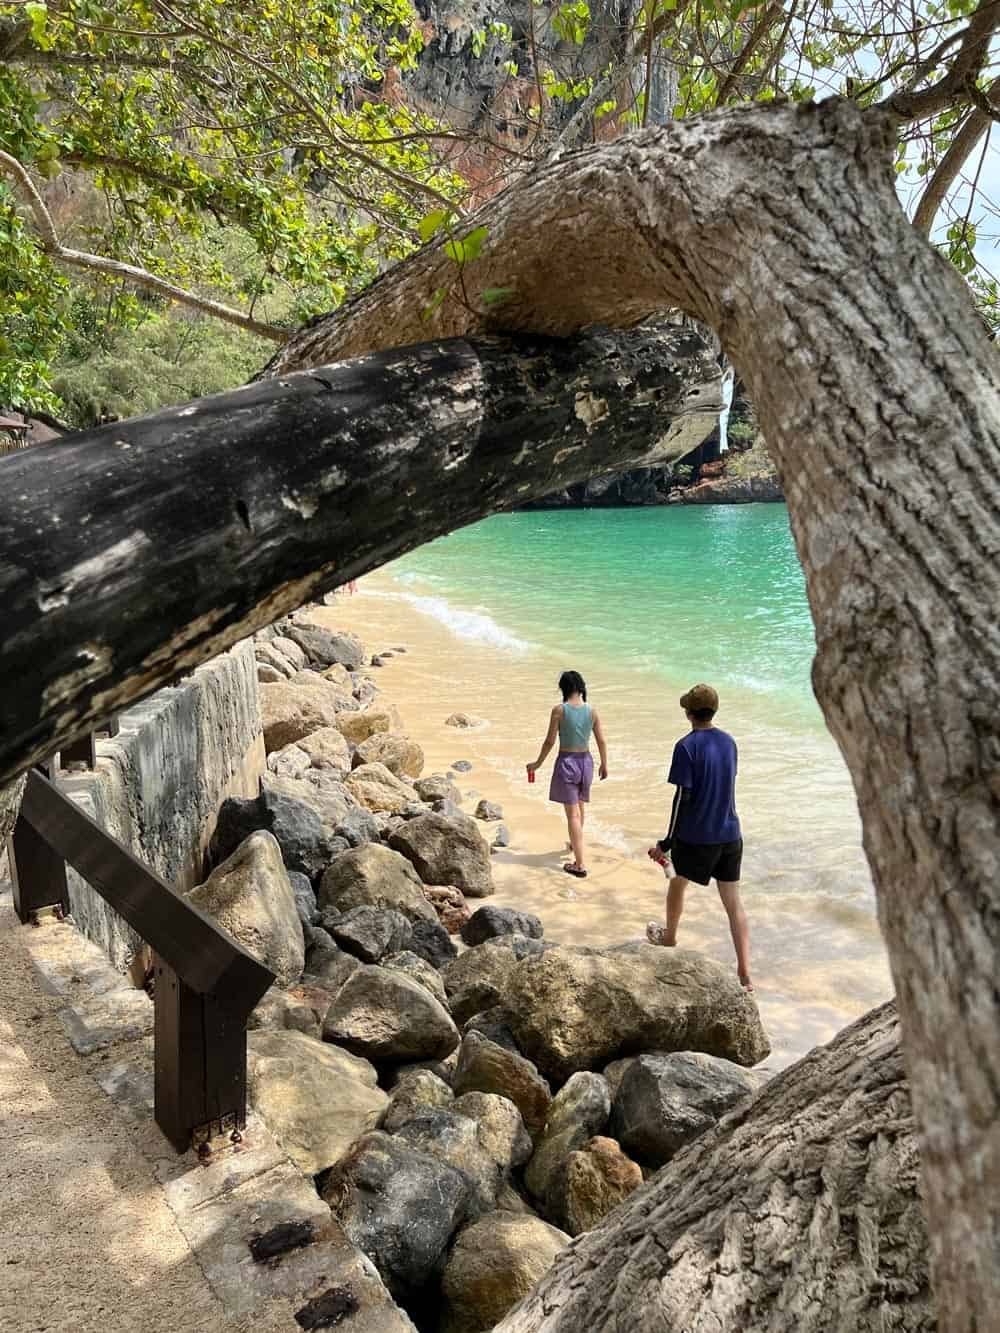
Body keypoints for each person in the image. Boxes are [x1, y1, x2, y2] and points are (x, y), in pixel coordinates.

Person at [646, 683, 753, 992]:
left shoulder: (686, 747)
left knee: (676, 883)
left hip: (696, 837)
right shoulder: (729, 743)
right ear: (714, 711)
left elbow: (682, 798)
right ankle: (745, 973)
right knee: (733, 903)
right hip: (730, 834)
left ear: (688, 713)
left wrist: (666, 842)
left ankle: (669, 938)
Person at [526, 669, 608, 878]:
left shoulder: (559, 710)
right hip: (586, 763)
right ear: (581, 687)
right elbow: (601, 740)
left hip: (567, 763)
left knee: (572, 814)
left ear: (563, 688)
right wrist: (604, 764)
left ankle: (579, 864)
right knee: (580, 807)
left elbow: (549, 742)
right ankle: (575, 843)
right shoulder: (592, 711)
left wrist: (537, 764)